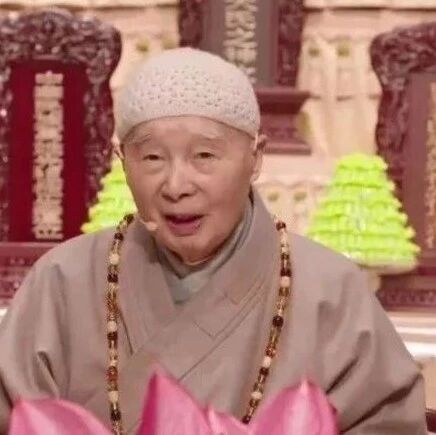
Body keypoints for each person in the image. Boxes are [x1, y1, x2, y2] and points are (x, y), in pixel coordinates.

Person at [0, 48, 427, 434]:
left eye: (204, 156)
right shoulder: (62, 280)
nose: (176, 185)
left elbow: (388, 424)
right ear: (122, 161)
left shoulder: (331, 289)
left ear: (255, 158)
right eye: (152, 157)